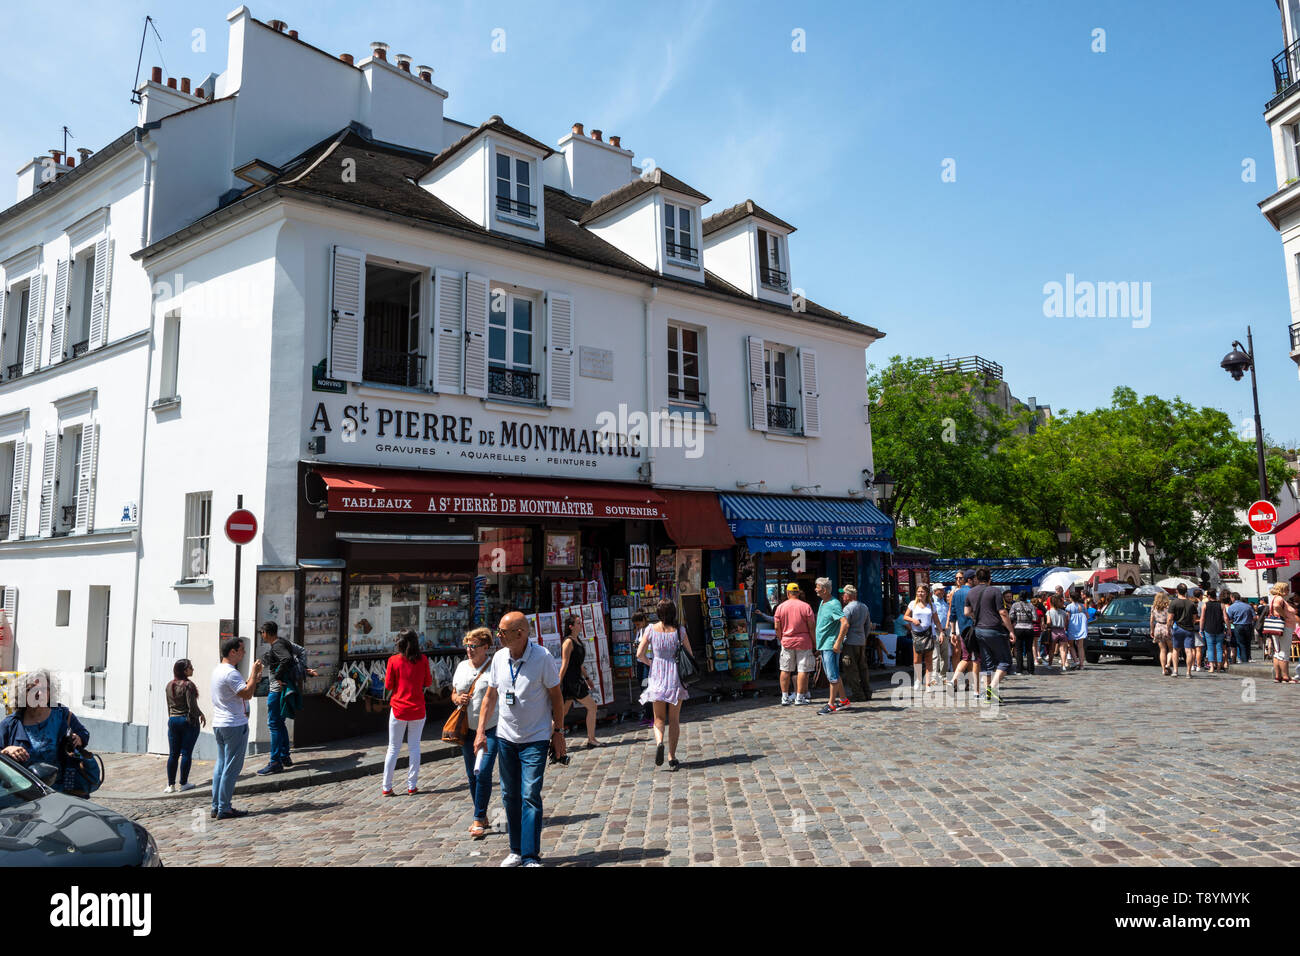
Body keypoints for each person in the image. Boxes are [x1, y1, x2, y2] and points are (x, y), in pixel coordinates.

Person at [475, 611, 564, 867]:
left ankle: (530, 855)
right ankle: (515, 849)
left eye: (503, 632)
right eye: (498, 631)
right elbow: (490, 697)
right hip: (505, 738)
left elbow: (556, 696)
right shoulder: (499, 658)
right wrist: (481, 731)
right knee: (509, 795)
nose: (498, 636)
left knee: (529, 794)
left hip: (535, 738)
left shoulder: (542, 658)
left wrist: (558, 732)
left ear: (521, 634)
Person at [0, 670, 90, 791]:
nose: (38, 693)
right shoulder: (11, 724)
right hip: (21, 792)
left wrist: (79, 738)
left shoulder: (62, 715)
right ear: (22, 694)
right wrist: (6, 751)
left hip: (60, 789)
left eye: (43, 688)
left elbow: (83, 734)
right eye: (31, 689)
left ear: (50, 693)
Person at [255, 621, 318, 775]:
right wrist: (303, 668)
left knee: (274, 725)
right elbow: (299, 652)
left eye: (261, 632)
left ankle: (275, 762)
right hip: (281, 689)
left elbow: (287, 659)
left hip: (276, 691)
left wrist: (277, 676)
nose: (261, 635)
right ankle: (285, 756)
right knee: (280, 723)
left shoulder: (278, 645)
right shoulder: (283, 642)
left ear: (267, 633)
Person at [637, 599, 693, 768]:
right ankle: (671, 756)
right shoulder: (679, 631)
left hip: (657, 675)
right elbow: (690, 654)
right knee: (674, 719)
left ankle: (659, 742)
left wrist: (651, 663)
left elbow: (639, 654)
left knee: (658, 718)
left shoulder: (651, 630)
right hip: (675, 676)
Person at [211, 637, 262, 820]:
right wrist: (253, 672)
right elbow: (247, 694)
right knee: (231, 768)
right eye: (242, 650)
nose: (244, 653)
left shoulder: (218, 670)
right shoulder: (231, 673)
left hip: (220, 723)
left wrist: (253, 678)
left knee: (221, 765)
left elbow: (244, 688)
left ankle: (216, 805)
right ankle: (224, 807)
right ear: (232, 652)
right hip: (233, 724)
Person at [452, 627, 497, 837]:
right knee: (472, 775)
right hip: (467, 729)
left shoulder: (494, 667)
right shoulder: (461, 666)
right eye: (467, 645)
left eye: (474, 646)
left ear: (485, 647)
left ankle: (478, 819)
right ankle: (483, 813)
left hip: (491, 728)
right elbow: (454, 693)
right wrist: (456, 699)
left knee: (484, 771)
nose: (469, 649)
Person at [381, 628, 432, 797]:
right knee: (414, 747)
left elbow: (388, 685)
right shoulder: (423, 659)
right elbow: (428, 682)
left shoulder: (393, 660)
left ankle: (387, 786)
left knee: (393, 748)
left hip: (398, 708)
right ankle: (412, 785)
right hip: (417, 708)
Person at [966, 568, 1014, 701]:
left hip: (979, 630)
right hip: (994, 629)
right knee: (1005, 661)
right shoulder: (995, 591)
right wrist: (1010, 630)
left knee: (987, 663)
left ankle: (988, 694)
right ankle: (991, 688)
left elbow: (966, 612)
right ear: (989, 578)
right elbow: (1003, 613)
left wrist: (977, 618)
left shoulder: (971, 592)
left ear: (976, 578)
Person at [559, 614, 600, 747]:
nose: (580, 624)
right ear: (571, 627)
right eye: (578, 623)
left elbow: (579, 664)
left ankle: (544, 740)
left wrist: (587, 678)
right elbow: (564, 664)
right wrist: (557, 684)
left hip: (577, 679)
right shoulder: (568, 642)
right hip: (572, 682)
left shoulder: (577, 640)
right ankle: (591, 739)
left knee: (562, 714)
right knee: (592, 707)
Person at [164, 659, 206, 793]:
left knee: (173, 754)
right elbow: (191, 706)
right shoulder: (188, 685)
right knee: (186, 753)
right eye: (190, 667)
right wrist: (199, 715)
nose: (192, 669)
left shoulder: (169, 685)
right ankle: (183, 783)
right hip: (186, 721)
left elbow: (169, 706)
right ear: (184, 671)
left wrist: (172, 719)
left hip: (173, 720)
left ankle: (170, 785)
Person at [774, 583, 817, 705]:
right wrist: (814, 642)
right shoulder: (806, 606)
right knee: (802, 670)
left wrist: (781, 638)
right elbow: (811, 627)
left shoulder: (780, 607)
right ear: (798, 593)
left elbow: (777, 627)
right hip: (804, 641)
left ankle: (784, 697)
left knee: (785, 669)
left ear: (787, 593)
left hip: (787, 641)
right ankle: (799, 698)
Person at [813, 578, 848, 714]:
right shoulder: (823, 602)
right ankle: (844, 700)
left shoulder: (834, 604)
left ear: (825, 590)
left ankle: (831, 704)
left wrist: (838, 642)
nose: (815, 589)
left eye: (817, 587)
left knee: (832, 676)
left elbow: (844, 623)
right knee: (833, 674)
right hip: (824, 644)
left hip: (830, 645)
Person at [837, 585, 873, 702]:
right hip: (861, 641)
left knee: (851, 669)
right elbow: (868, 625)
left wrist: (840, 641)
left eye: (844, 594)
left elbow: (844, 626)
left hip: (850, 642)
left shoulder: (847, 609)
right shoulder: (864, 607)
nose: (842, 596)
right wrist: (864, 636)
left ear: (848, 595)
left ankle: (858, 694)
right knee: (862, 668)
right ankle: (867, 692)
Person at [903, 583, 939, 690]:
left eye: (922, 591)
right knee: (916, 659)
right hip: (917, 634)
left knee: (928, 659)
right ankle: (918, 679)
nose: (920, 593)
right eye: (918, 591)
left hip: (928, 634)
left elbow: (936, 620)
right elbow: (905, 616)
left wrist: (941, 632)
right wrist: (913, 620)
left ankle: (927, 684)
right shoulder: (912, 604)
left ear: (927, 593)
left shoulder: (931, 605)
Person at [1264, 582, 1298, 684]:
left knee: (1277, 652)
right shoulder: (1279, 599)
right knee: (1284, 652)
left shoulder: (1274, 597)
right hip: (1284, 627)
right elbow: (1276, 606)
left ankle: (1278, 676)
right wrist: (1285, 616)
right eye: (1287, 589)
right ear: (1282, 589)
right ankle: (1285, 676)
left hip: (1279, 628)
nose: (1288, 591)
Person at [1168, 583, 1199, 678]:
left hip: (1177, 628)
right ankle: (1188, 672)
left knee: (1176, 650)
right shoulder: (1191, 603)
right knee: (1188, 650)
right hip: (1189, 629)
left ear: (1177, 591)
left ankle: (1175, 671)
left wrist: (1168, 628)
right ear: (1186, 591)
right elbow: (1194, 618)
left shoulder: (1174, 603)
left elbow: (1170, 618)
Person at [1199, 588, 1231, 674]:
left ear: (1209, 596)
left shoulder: (1205, 605)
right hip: (1219, 629)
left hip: (1208, 628)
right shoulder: (1222, 605)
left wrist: (1201, 629)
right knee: (1219, 648)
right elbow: (1225, 618)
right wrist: (1228, 629)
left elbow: (1202, 618)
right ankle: (1219, 667)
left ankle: (1212, 667)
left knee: (1210, 648)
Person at [631, 610, 653, 726]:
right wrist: (636, 644)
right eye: (635, 625)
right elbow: (638, 643)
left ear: (643, 621)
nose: (637, 626)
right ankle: (647, 715)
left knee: (646, 687)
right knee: (642, 688)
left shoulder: (650, 629)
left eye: (638, 624)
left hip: (648, 662)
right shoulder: (639, 631)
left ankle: (652, 715)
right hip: (640, 662)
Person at [1009, 592, 1036, 675]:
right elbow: (1035, 617)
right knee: (1029, 649)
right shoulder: (1031, 605)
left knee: (1019, 650)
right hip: (1029, 628)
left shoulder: (1015, 605)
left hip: (1018, 628)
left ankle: (1019, 670)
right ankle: (1031, 670)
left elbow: (1011, 616)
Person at [1150, 592, 1175, 677]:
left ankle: (1164, 669)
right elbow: (1169, 619)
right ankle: (1168, 664)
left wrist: (1152, 630)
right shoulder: (1168, 607)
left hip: (1158, 627)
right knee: (1171, 649)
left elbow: (1151, 621)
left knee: (1162, 650)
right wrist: (1168, 629)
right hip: (1166, 627)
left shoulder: (1154, 607)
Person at [1227, 592, 1256, 664]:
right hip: (1248, 625)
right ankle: (1247, 657)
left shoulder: (1231, 607)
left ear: (1233, 598)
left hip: (1238, 626)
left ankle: (1244, 660)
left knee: (1241, 644)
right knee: (1248, 643)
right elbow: (1255, 617)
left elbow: (1229, 618)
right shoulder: (1248, 606)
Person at [930, 583, 951, 682]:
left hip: (945, 631)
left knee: (945, 655)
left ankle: (943, 676)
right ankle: (934, 677)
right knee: (935, 655)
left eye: (943, 590)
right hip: (935, 631)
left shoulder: (944, 602)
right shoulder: (931, 602)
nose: (943, 591)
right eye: (940, 589)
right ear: (935, 591)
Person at [1066, 590, 1090, 670]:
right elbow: (1087, 617)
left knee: (1071, 645)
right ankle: (1082, 665)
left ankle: (1076, 661)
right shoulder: (1082, 606)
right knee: (1080, 647)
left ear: (1071, 598)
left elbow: (1068, 619)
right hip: (1081, 627)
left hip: (1072, 627)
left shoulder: (1069, 607)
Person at [1047, 593, 1071, 671]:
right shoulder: (1064, 612)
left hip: (1053, 631)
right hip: (1062, 631)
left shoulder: (1049, 612)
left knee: (1052, 649)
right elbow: (1066, 623)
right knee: (1063, 649)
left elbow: (1048, 622)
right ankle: (1063, 665)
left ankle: (1050, 664)